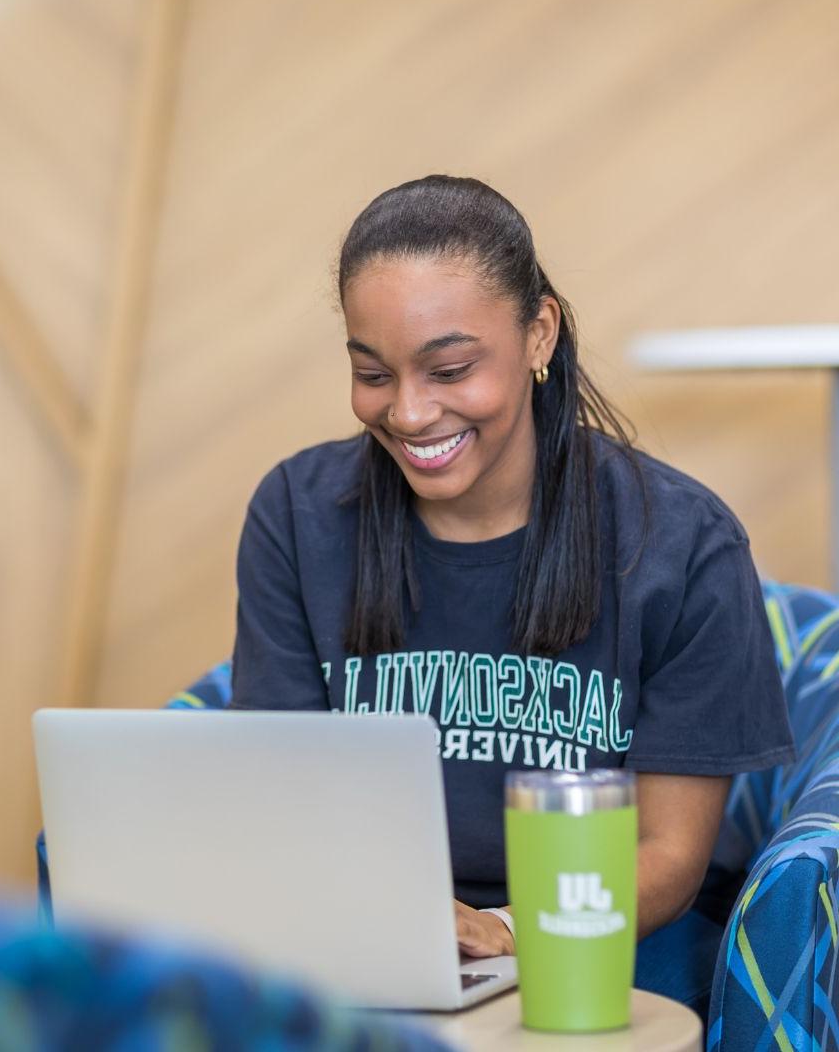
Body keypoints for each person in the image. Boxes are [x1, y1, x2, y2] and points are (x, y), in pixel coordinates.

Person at [229, 175, 794, 1015]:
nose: (411, 413)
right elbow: (280, 797)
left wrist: (506, 929)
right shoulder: (296, 515)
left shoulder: (683, 543)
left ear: (539, 333)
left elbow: (667, 854)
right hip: (367, 939)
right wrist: (395, 927)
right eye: (372, 373)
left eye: (450, 368)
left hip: (609, 939)